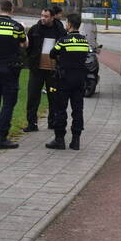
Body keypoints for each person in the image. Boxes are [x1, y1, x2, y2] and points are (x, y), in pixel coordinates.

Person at [0, 0, 26, 149]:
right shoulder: (16, 26)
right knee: (8, 103)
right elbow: (23, 44)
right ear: (12, 10)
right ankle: (2, 137)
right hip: (9, 68)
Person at [46, 12, 90, 151]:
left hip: (64, 80)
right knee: (78, 110)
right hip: (79, 80)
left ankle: (60, 140)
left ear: (70, 24)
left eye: (66, 23)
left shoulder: (63, 41)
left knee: (61, 110)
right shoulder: (84, 41)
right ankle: (76, 141)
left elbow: (52, 54)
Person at [23, 7, 66, 132]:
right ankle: (32, 123)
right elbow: (28, 46)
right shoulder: (35, 30)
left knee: (53, 96)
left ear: (52, 17)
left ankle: (52, 122)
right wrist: (31, 59)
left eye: (46, 16)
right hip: (37, 70)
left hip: (53, 71)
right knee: (33, 96)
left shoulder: (60, 31)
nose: (43, 18)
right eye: (42, 15)